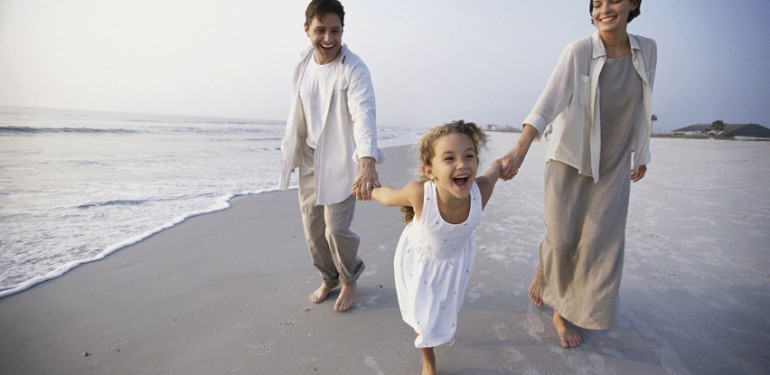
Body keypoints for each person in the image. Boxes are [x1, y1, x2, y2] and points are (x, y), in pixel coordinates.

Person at [497, 0, 656, 348]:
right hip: (569, 158)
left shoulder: (648, 51)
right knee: (561, 237)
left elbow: (644, 102)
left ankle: (562, 309)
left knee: (597, 243)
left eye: (612, 0)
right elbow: (547, 103)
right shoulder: (579, 51)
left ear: (633, 3)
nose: (603, 9)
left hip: (612, 163)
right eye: (596, 3)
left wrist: (641, 152)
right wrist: (519, 150)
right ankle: (548, 275)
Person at [367, 120, 501, 375]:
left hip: (455, 262)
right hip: (421, 261)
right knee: (424, 318)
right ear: (430, 171)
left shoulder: (480, 191)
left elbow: (493, 175)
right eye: (449, 158)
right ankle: (428, 360)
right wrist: (370, 191)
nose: (462, 164)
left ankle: (431, 338)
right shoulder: (420, 194)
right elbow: (388, 197)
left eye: (469, 156)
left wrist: (500, 166)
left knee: (445, 308)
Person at [279, 0, 383, 312]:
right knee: (313, 230)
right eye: (320, 30)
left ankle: (350, 278)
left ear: (342, 31)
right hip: (310, 158)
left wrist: (367, 162)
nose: (328, 38)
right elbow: (299, 112)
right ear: (307, 29)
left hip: (341, 159)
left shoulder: (354, 69)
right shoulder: (303, 62)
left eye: (335, 31)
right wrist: (293, 152)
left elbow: (364, 114)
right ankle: (330, 277)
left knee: (335, 229)